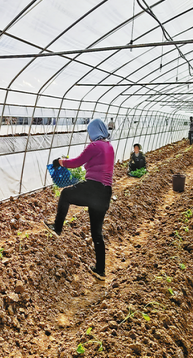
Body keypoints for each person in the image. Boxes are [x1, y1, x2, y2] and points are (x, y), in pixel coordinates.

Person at [44, 118, 114, 281]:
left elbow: (76, 162)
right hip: (105, 192)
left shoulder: (95, 145)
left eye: (90, 132)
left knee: (66, 195)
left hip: (93, 188)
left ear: (94, 132)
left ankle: (57, 227)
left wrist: (59, 162)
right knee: (97, 233)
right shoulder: (109, 146)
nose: (89, 136)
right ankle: (100, 270)